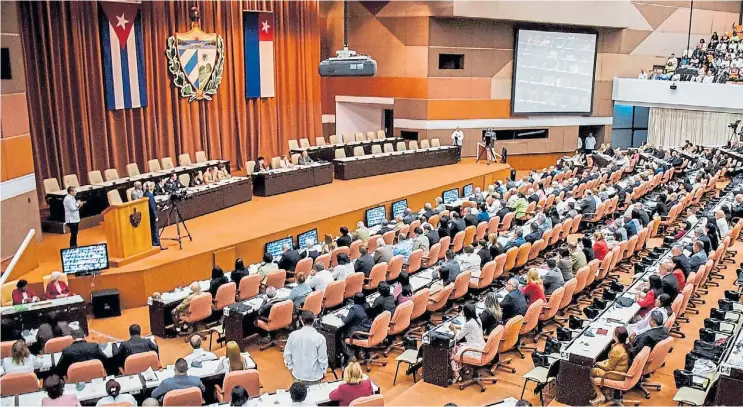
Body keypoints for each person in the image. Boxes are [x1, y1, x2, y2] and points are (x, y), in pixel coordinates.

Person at [284, 311, 328, 384]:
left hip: (297, 375)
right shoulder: (320, 338)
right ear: (314, 320)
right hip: (315, 377)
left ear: (301, 320)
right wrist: (324, 371)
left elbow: (287, 354)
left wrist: (290, 368)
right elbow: (323, 359)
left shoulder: (293, 336)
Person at [590, 327, 630, 405]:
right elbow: (610, 361)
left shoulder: (616, 350)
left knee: (588, 371)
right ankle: (605, 391)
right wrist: (600, 362)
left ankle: (600, 395)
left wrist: (598, 364)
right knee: (598, 364)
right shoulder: (625, 345)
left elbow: (608, 368)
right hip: (621, 372)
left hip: (615, 375)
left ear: (616, 335)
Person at [449, 303, 486, 382]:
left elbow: (457, 337)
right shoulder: (477, 319)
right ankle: (464, 368)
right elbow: (467, 328)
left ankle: (456, 374)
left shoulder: (468, 324)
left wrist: (454, 328)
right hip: (482, 346)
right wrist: (457, 326)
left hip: (474, 350)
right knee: (459, 347)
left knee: (453, 350)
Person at [340, 294, 372, 360]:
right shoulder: (367, 305)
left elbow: (345, 321)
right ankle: (359, 350)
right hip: (369, 330)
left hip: (360, 333)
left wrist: (341, 316)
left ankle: (351, 355)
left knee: (341, 336)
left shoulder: (354, 308)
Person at [144, 182, 164, 249]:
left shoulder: (145, 194)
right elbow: (152, 207)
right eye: (150, 186)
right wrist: (155, 216)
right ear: (147, 187)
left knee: (153, 230)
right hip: (152, 216)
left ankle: (154, 243)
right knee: (155, 230)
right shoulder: (150, 195)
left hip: (148, 215)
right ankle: (157, 244)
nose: (152, 187)